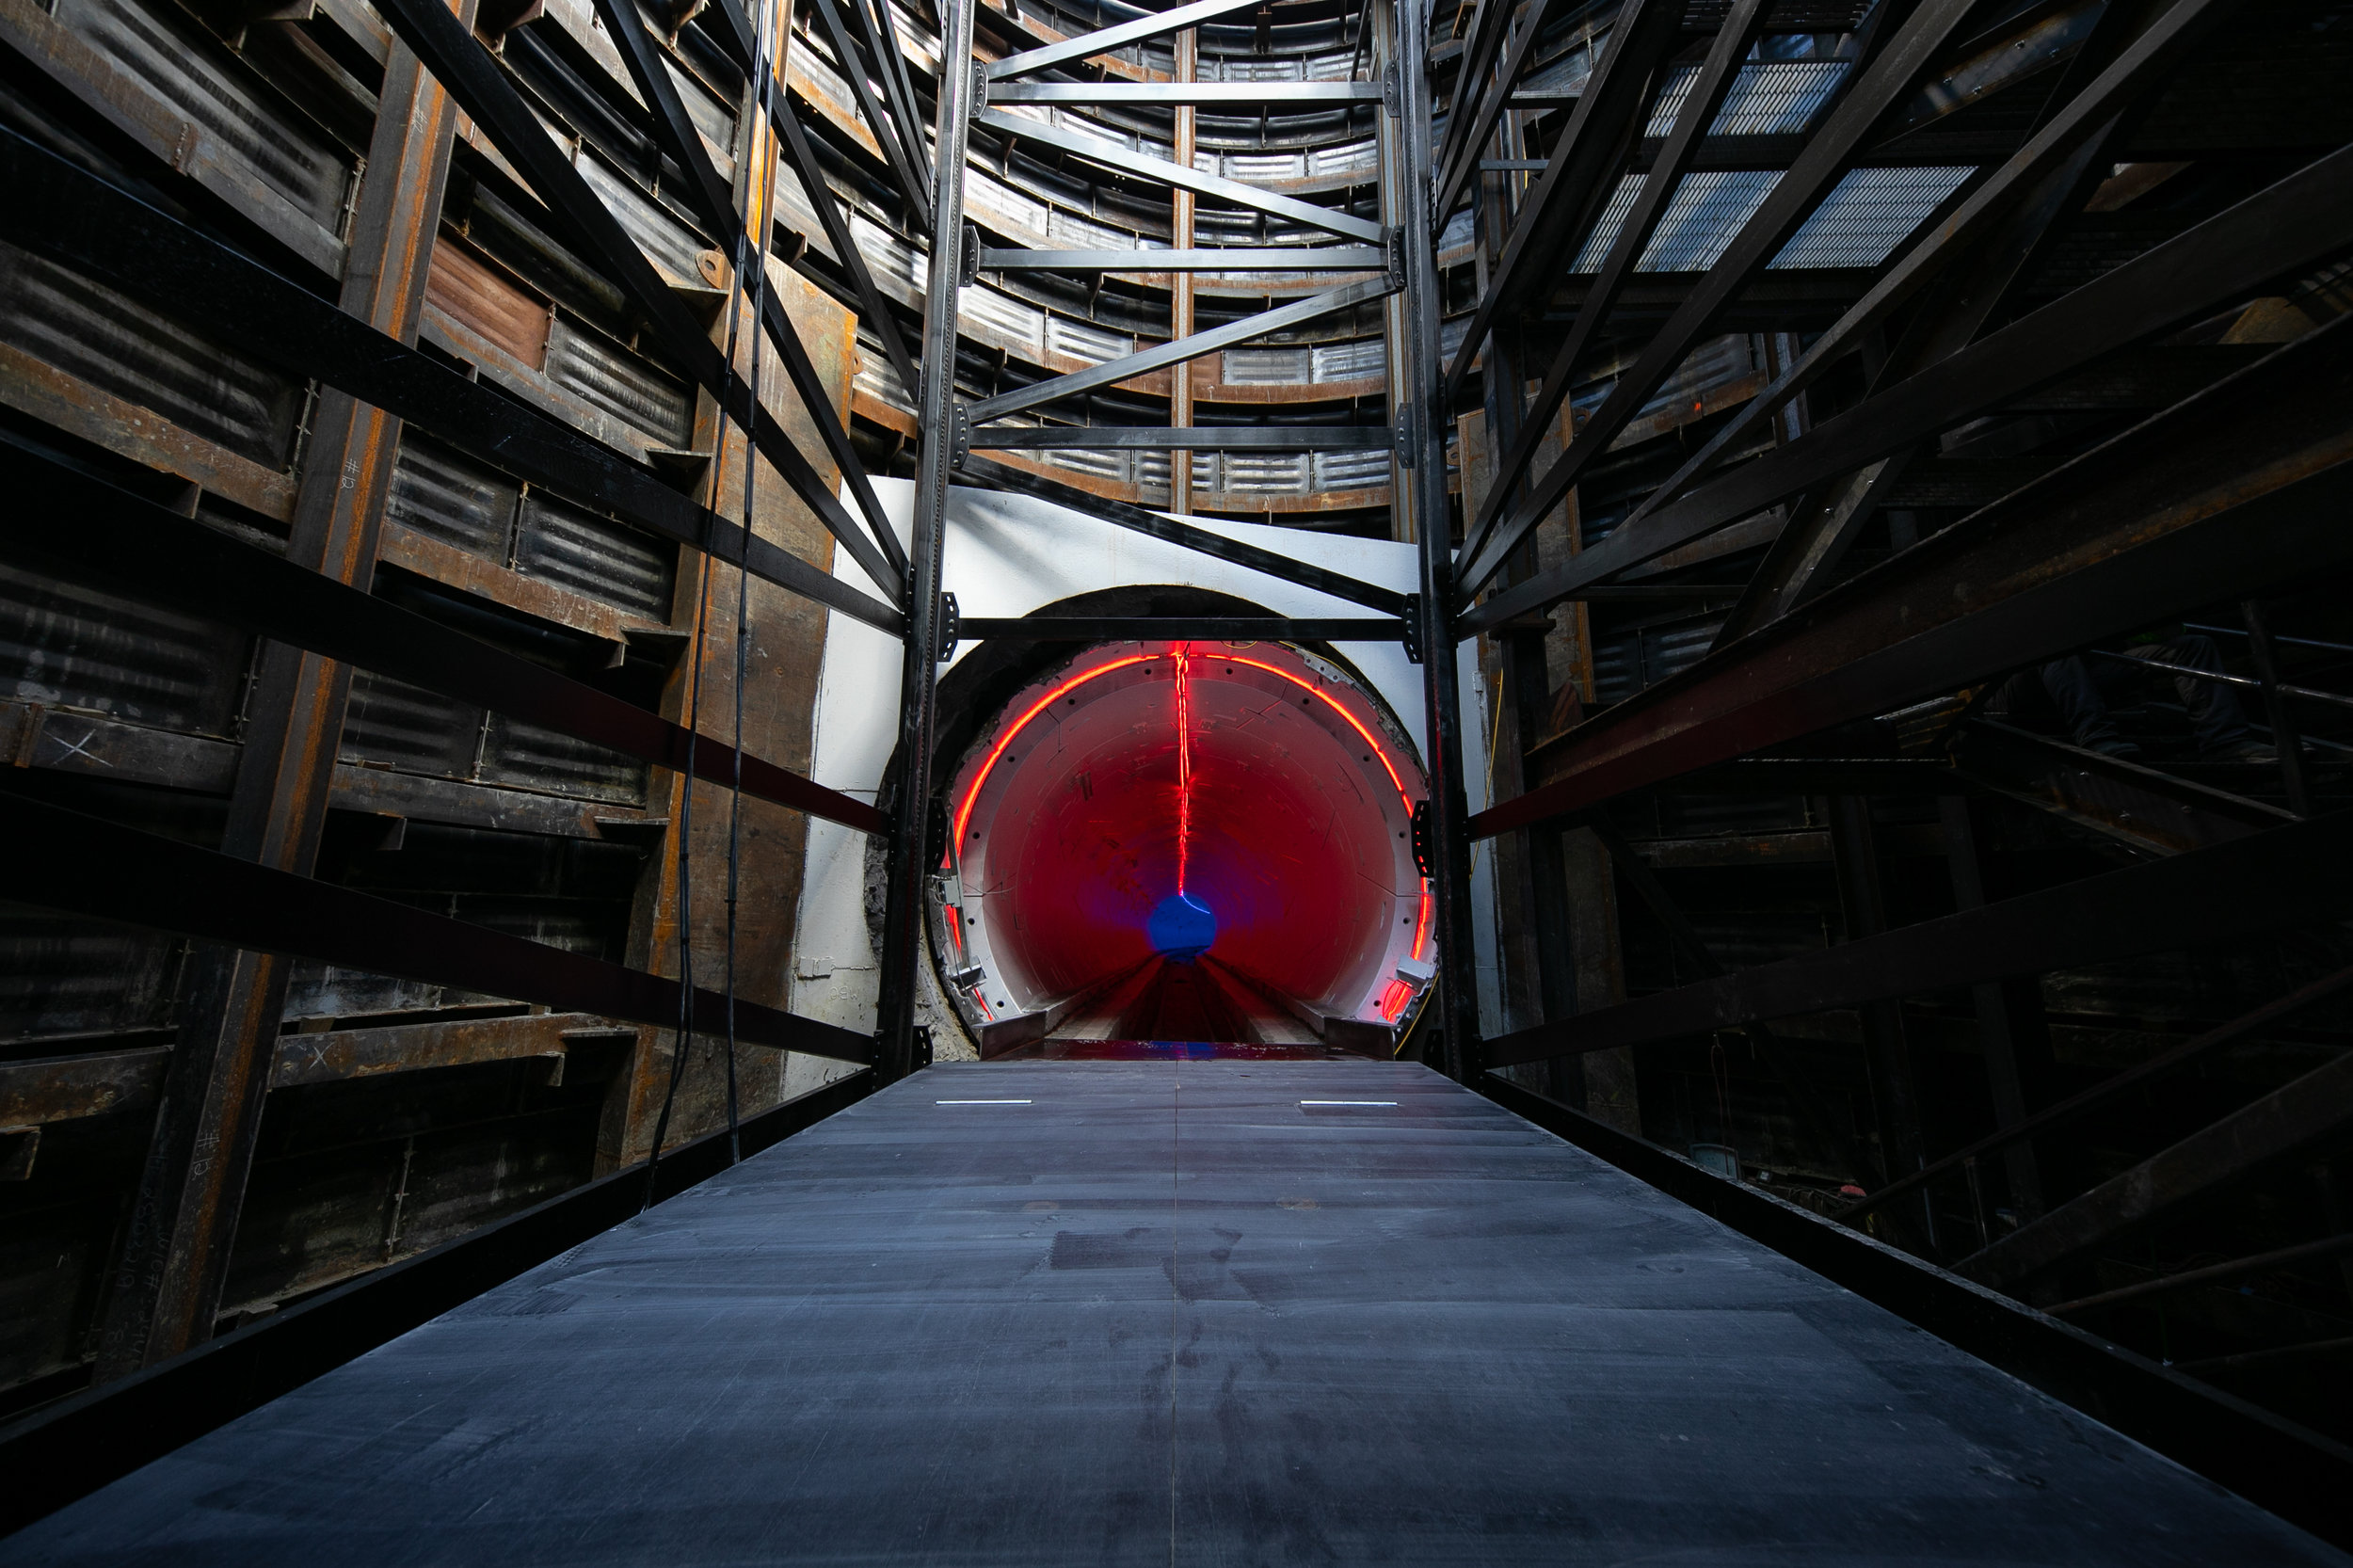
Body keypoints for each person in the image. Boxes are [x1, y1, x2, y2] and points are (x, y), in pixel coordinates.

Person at [2040, 628, 2275, 762]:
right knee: (2053, 644)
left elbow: (2155, 633)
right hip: (2025, 677)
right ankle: (2096, 739)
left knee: (2195, 645)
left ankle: (2226, 742)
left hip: (2091, 666)